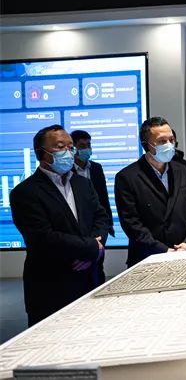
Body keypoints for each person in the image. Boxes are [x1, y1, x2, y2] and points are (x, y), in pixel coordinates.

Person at [10, 125, 108, 326]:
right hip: (52, 287)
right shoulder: (25, 192)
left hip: (91, 279)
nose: (68, 152)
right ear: (41, 153)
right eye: (60, 147)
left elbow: (101, 217)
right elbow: (42, 237)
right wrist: (91, 247)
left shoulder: (83, 184)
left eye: (70, 147)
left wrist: (92, 253)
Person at [115, 117, 186, 267]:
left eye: (171, 140)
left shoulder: (183, 170)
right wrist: (163, 250)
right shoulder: (127, 177)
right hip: (147, 258)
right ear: (146, 145)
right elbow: (132, 223)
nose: (169, 145)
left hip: (184, 254)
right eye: (162, 141)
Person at [70, 129, 114, 284]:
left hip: (97, 224)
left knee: (97, 266)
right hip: (78, 226)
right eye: (82, 146)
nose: (87, 149)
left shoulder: (96, 168)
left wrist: (108, 224)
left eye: (88, 145)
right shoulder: (66, 170)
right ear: (73, 148)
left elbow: (103, 197)